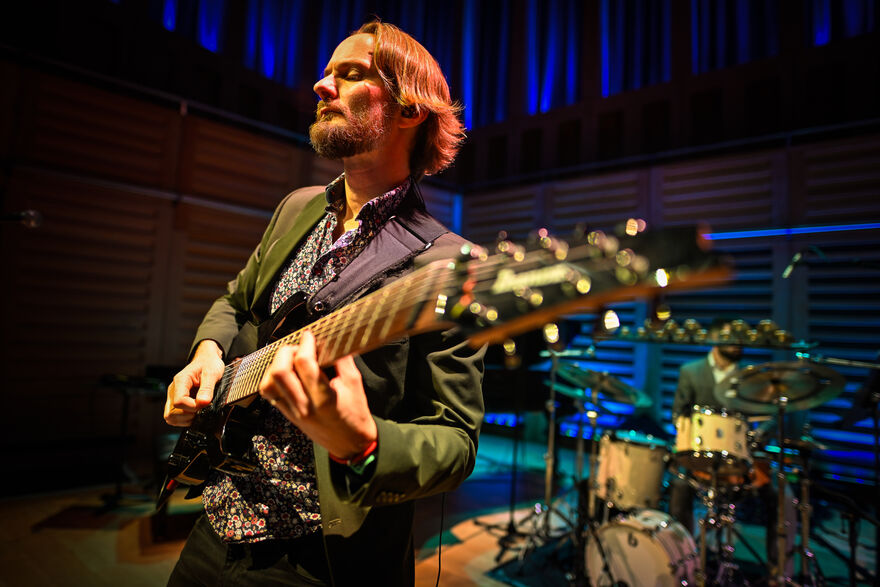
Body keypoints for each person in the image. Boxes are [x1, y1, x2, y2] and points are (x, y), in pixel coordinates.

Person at [163, 21, 485, 586]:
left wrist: (365, 441)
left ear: (409, 111)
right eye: (326, 71)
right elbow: (235, 300)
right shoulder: (296, 207)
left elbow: (455, 442)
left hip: (322, 556)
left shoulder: (448, 265)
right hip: (220, 520)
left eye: (350, 74)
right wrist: (208, 353)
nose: (320, 85)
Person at [669, 320, 792, 576]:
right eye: (731, 338)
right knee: (679, 487)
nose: (737, 345)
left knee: (781, 496)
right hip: (702, 456)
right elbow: (678, 413)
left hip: (740, 456)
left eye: (740, 340)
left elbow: (768, 414)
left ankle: (777, 570)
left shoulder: (751, 375)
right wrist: (686, 432)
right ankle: (686, 560)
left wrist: (762, 432)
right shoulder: (690, 371)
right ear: (714, 339)